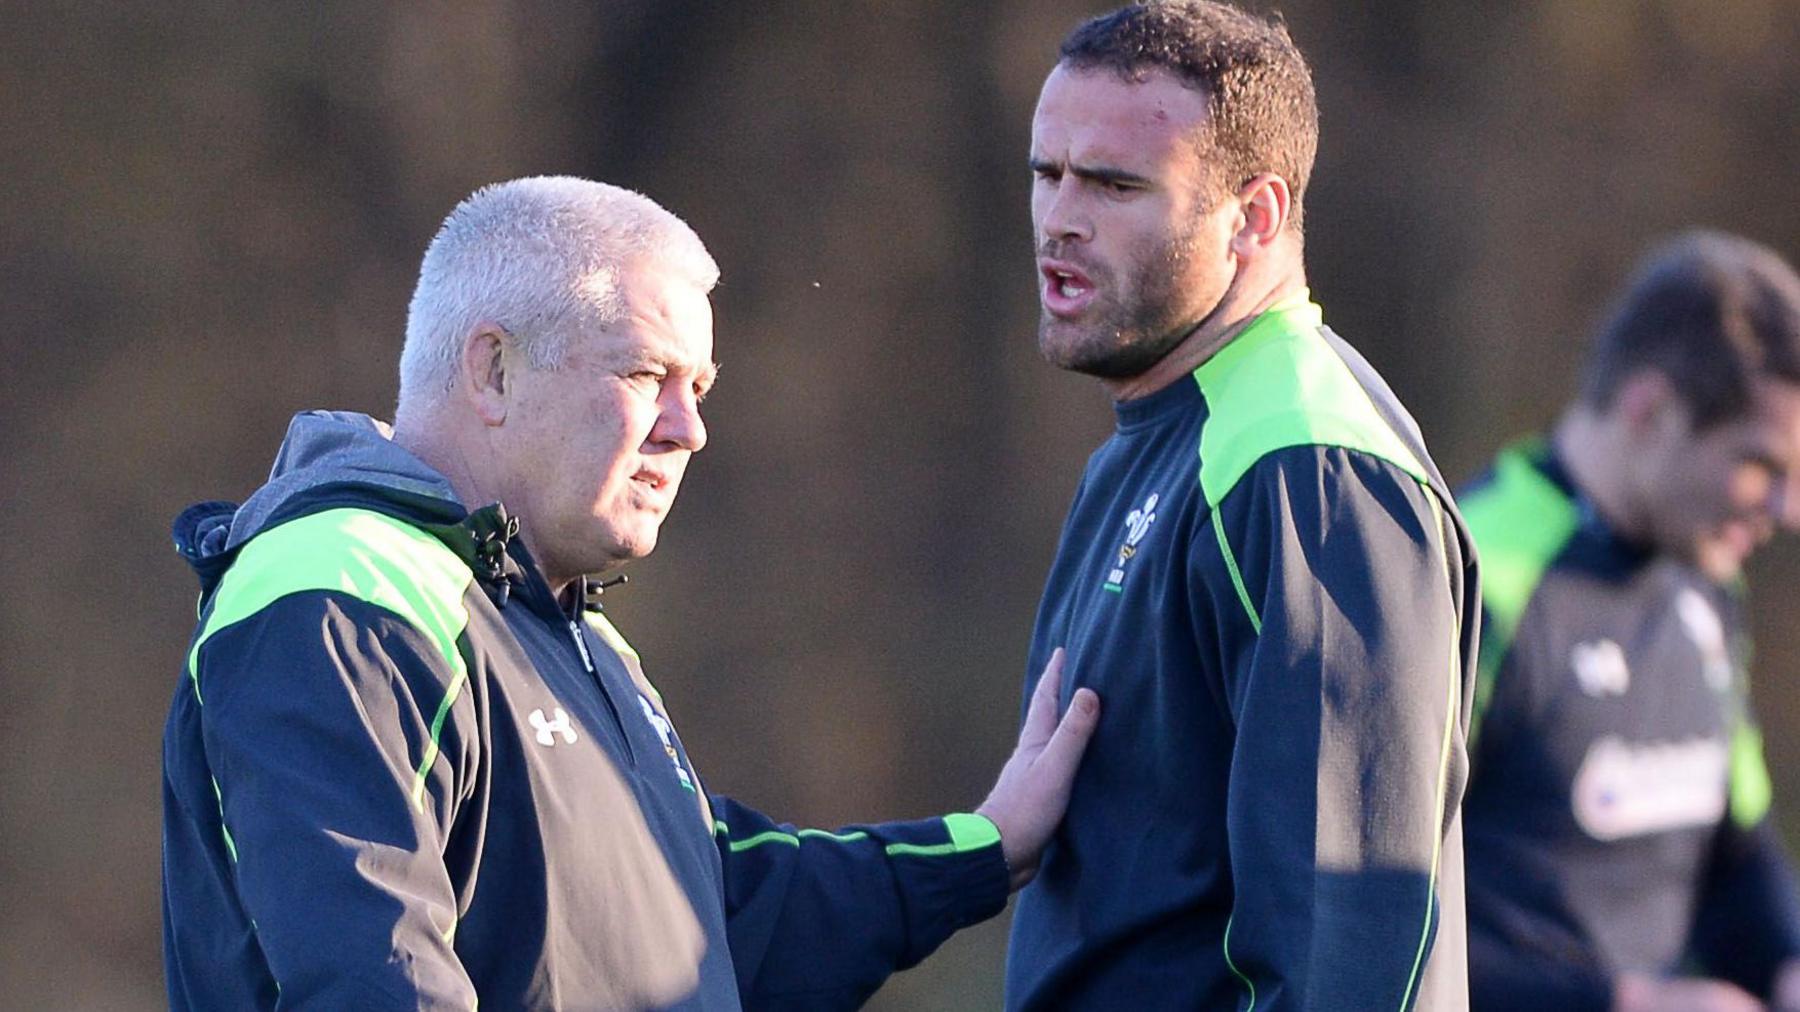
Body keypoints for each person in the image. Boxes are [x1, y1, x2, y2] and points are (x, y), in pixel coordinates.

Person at [162, 176, 1100, 1010]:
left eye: (700, 386)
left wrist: (986, 848)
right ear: (493, 370)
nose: (688, 429)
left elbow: (708, 922)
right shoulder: (342, 590)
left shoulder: (568, 629)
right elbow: (373, 976)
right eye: (647, 374)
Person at [1003, 3, 1479, 1009]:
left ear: (1255, 216)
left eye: (1115, 184)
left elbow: (1351, 941)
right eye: (1048, 173)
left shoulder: (1306, 468)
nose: (1060, 218)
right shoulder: (1169, 433)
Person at [1459, 232, 1800, 1012]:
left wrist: (1786, 965)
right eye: (1762, 465)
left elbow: (1732, 851)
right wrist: (1619, 1003)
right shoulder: (1474, 579)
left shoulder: (1705, 578)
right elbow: (1365, 910)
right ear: (1650, 409)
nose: (1786, 509)